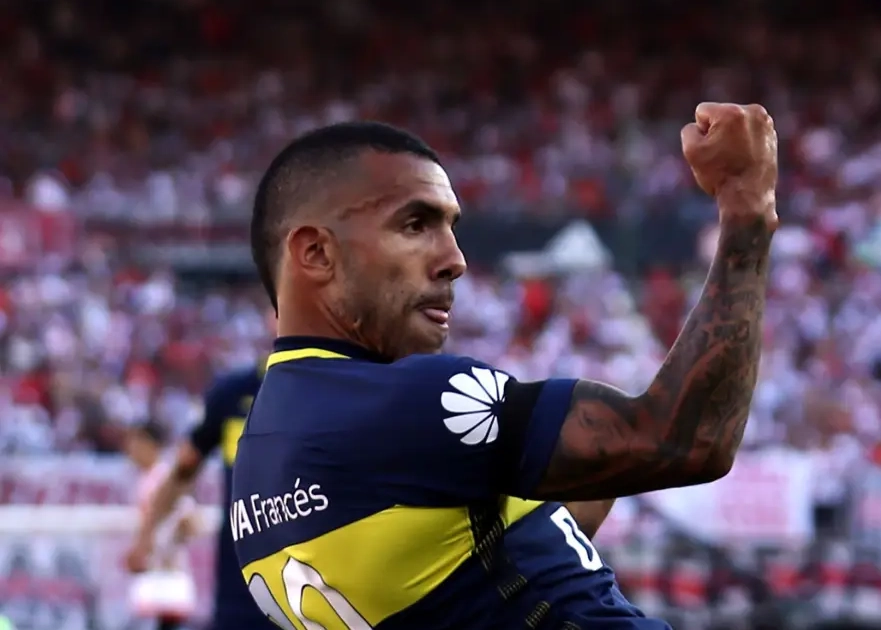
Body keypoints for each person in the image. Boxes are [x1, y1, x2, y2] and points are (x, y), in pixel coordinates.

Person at [231, 101, 778, 629]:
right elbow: (687, 442)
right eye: (415, 225)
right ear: (316, 253)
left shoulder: (256, 473)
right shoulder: (409, 403)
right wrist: (745, 209)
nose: (455, 260)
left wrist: (577, 448)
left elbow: (482, 562)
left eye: (451, 227)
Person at [125, 366, 272, 630]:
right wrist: (145, 538)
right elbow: (183, 470)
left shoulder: (330, 387)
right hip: (240, 586)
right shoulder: (233, 393)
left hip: (309, 584)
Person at [124, 422, 199, 630]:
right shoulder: (146, 478)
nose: (130, 449)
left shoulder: (164, 478)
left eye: (135, 443)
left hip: (166, 569)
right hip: (154, 568)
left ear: (150, 445)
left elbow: (188, 518)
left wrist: (156, 546)